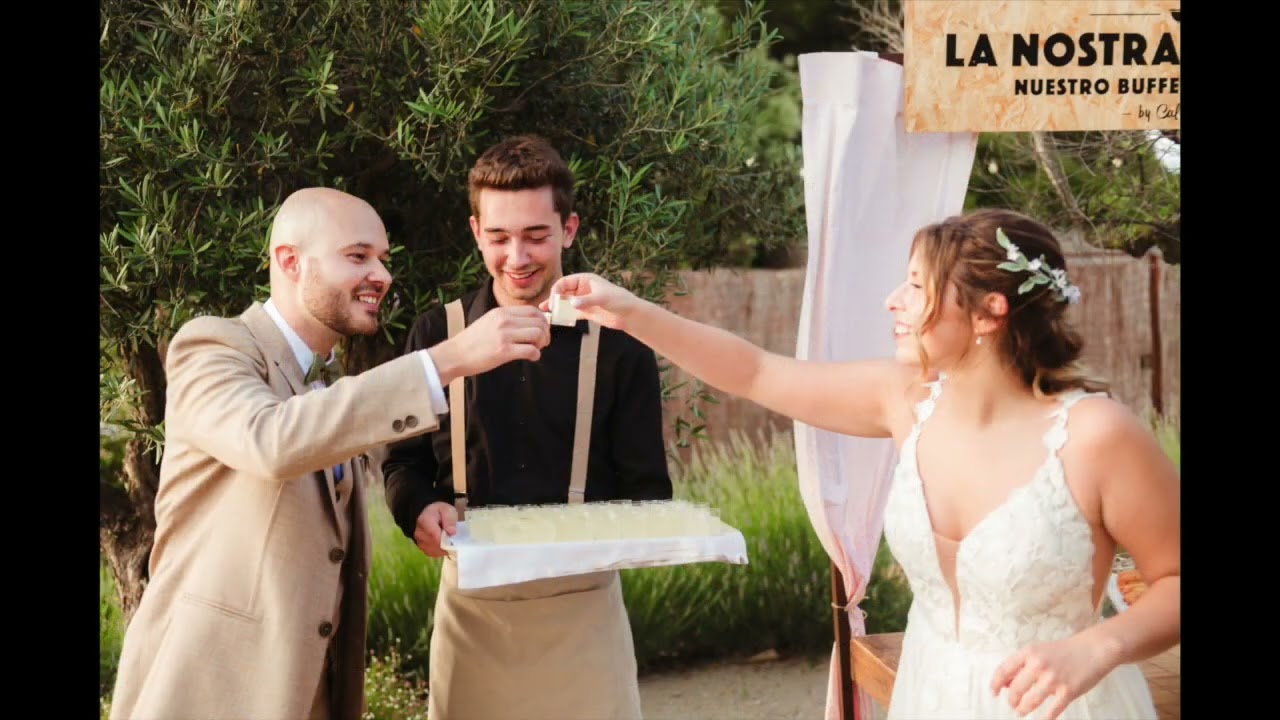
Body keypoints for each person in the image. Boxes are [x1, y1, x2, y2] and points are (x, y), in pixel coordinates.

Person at [545, 208, 1179, 720]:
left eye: (917, 287)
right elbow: (756, 371)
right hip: (930, 695)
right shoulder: (906, 401)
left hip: (1061, 707)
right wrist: (629, 311)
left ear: (990, 312)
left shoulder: (1095, 436)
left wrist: (1096, 648)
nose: (892, 301)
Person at [108, 187, 551, 720]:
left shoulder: (334, 382)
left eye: (383, 260)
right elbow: (269, 440)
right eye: (357, 256)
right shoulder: (213, 347)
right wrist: (445, 361)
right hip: (211, 693)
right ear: (290, 262)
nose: (383, 276)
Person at [381, 135, 672, 720]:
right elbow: (401, 463)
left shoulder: (621, 346)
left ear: (568, 230)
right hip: (471, 615)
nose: (517, 256)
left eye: (536, 236)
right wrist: (415, 507)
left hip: (583, 619)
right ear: (475, 232)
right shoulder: (437, 333)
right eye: (499, 237)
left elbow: (649, 493)